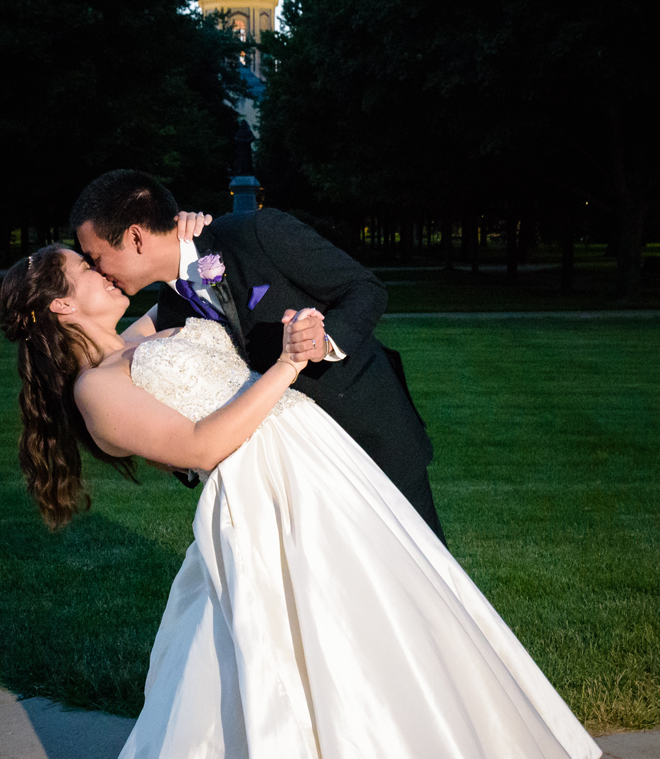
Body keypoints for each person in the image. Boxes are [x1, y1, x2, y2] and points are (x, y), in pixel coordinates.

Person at [0, 243, 600, 759]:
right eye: (86, 272)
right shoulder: (95, 389)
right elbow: (199, 446)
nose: (105, 274)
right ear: (60, 305)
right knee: (323, 651)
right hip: (265, 493)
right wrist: (284, 365)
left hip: (318, 462)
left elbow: (196, 299)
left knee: (389, 626)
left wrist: (193, 255)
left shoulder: (142, 332)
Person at [70, 169, 444, 539]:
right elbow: (112, 358)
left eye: (95, 257)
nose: (98, 271)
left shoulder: (258, 234)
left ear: (135, 236)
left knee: (425, 582)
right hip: (297, 479)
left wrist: (325, 341)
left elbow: (366, 288)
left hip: (371, 435)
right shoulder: (170, 307)